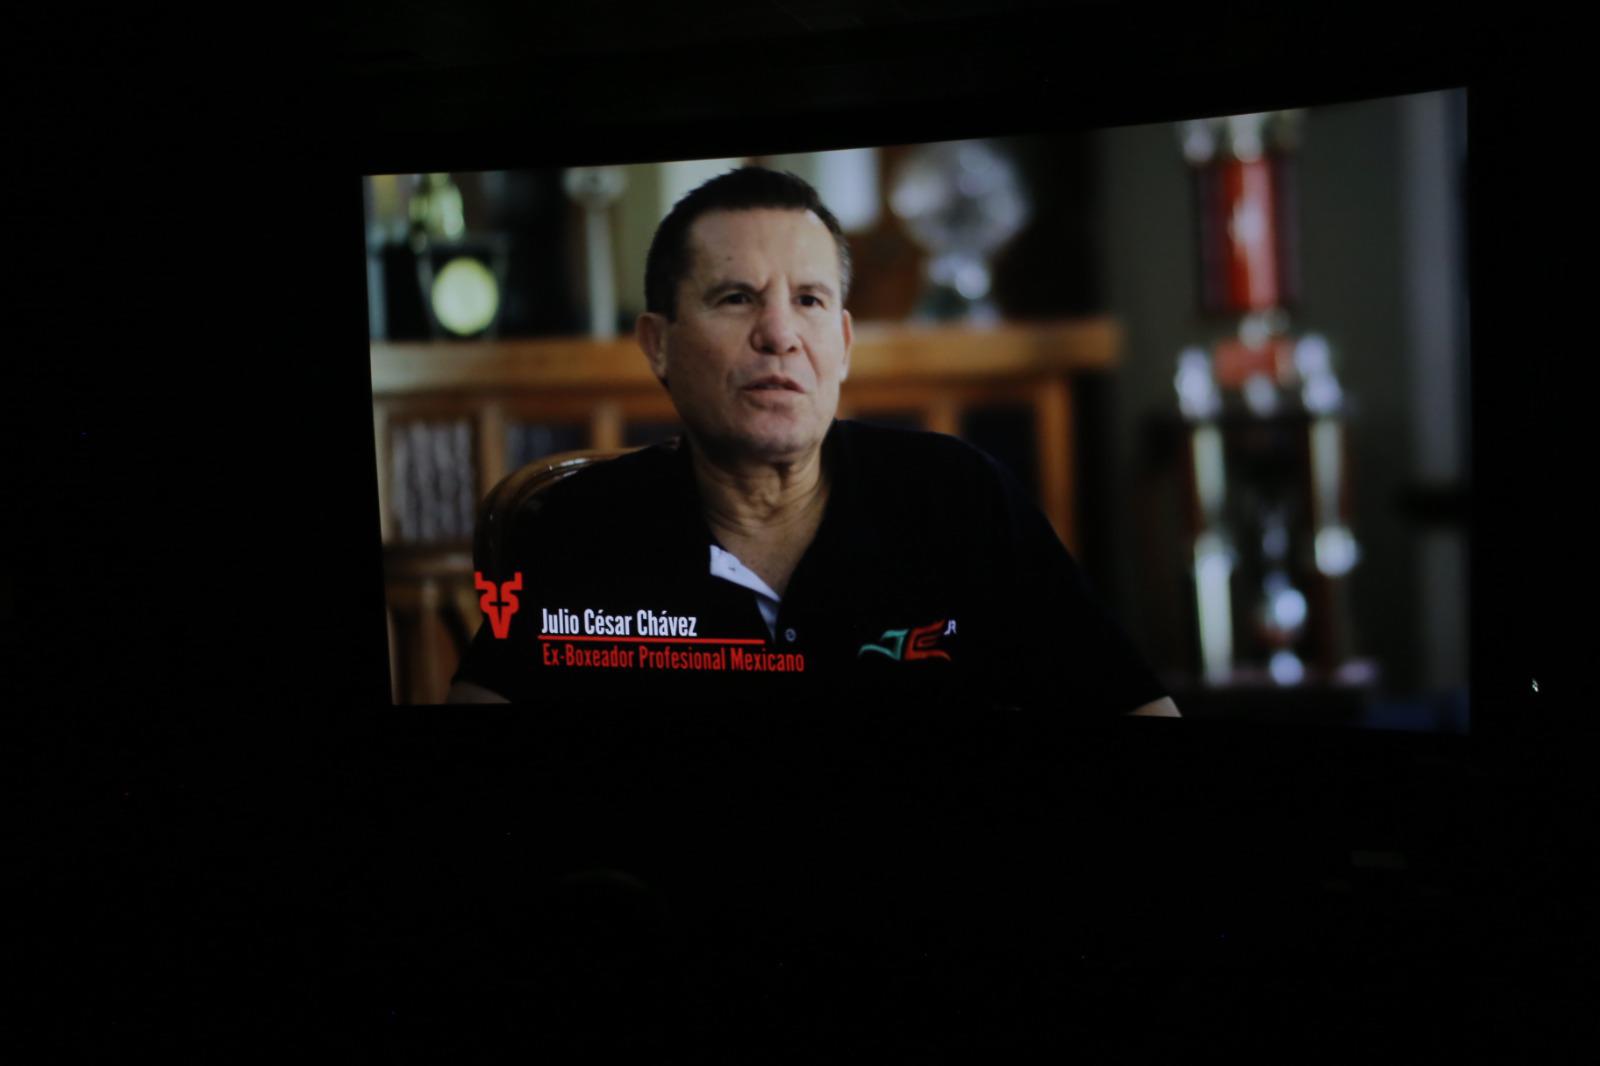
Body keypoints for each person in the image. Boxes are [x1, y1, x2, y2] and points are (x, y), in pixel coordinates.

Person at [448, 166, 1178, 716]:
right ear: (658, 344)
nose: (779, 334)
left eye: (809, 300)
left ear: (845, 343)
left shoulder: (959, 497)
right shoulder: (586, 524)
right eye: (736, 298)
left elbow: (1133, 702)